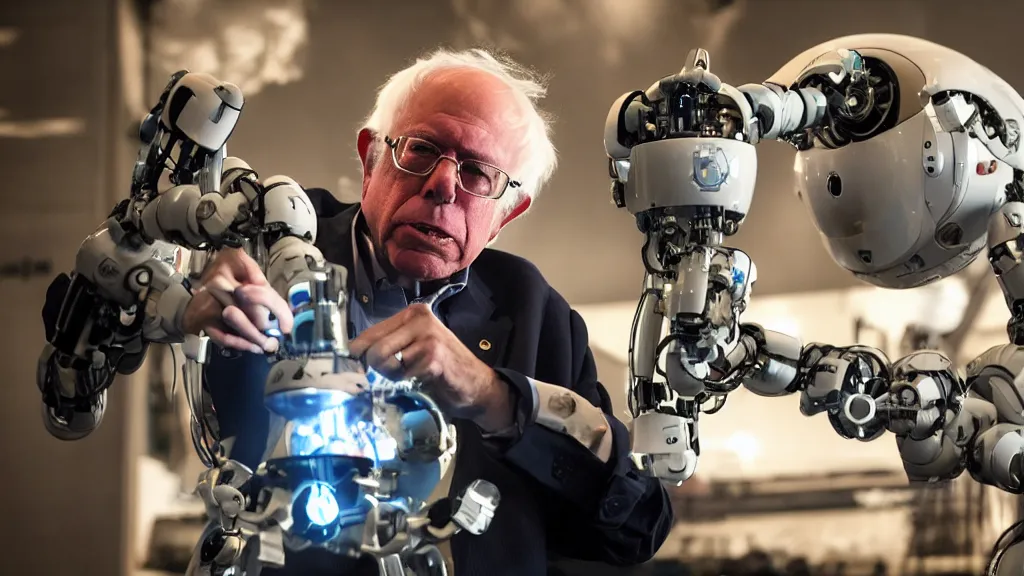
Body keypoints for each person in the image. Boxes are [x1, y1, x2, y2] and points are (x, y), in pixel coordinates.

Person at [188, 47, 673, 575]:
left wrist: (494, 397)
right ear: (370, 159)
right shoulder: (272, 242)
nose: (443, 184)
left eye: (478, 174)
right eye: (421, 149)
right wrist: (191, 298)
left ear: (505, 215)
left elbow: (637, 527)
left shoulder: (536, 313)